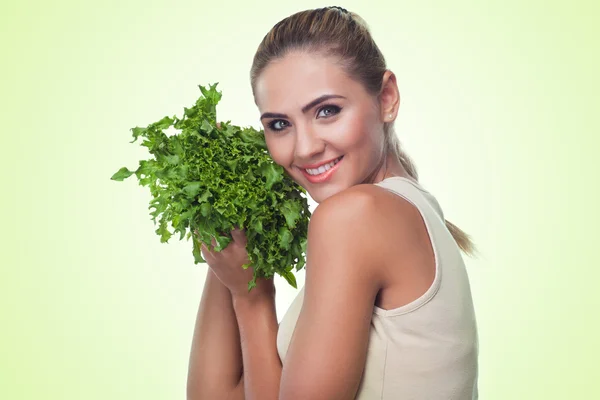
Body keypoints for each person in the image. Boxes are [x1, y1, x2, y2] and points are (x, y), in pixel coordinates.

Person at [187, 6, 479, 400]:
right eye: (279, 125)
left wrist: (251, 297)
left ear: (386, 97)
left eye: (327, 111)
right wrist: (229, 211)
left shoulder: (355, 216)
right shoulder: (405, 210)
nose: (305, 148)